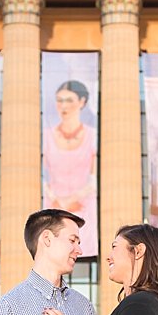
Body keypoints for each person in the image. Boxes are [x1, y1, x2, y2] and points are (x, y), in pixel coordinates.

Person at [42, 80, 98, 258]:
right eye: (59, 100)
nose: (63, 106)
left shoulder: (92, 135)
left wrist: (70, 200)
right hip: (53, 207)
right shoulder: (46, 135)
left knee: (79, 245)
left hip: (83, 206)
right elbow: (40, 177)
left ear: (82, 102)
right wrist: (56, 199)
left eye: (69, 100)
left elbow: (94, 178)